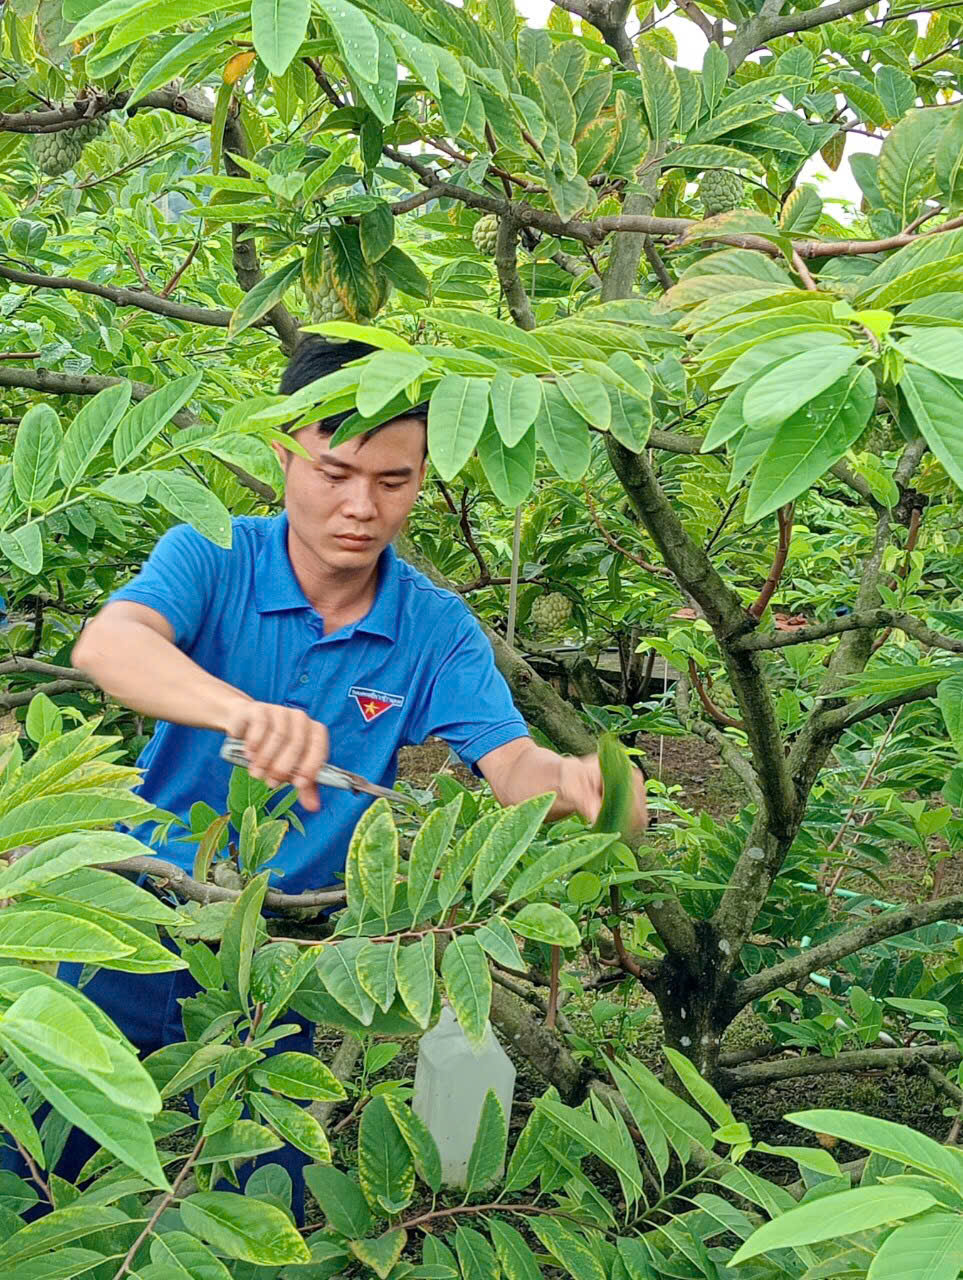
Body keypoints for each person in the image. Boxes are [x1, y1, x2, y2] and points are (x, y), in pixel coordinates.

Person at [23, 336, 647, 1216]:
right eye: (335, 472)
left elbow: (512, 763)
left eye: (394, 482)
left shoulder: (433, 627)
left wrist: (580, 790)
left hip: (287, 950)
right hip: (133, 908)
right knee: (46, 1159)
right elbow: (111, 646)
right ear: (283, 452)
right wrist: (240, 711)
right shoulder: (212, 553)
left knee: (246, 1186)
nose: (361, 507)